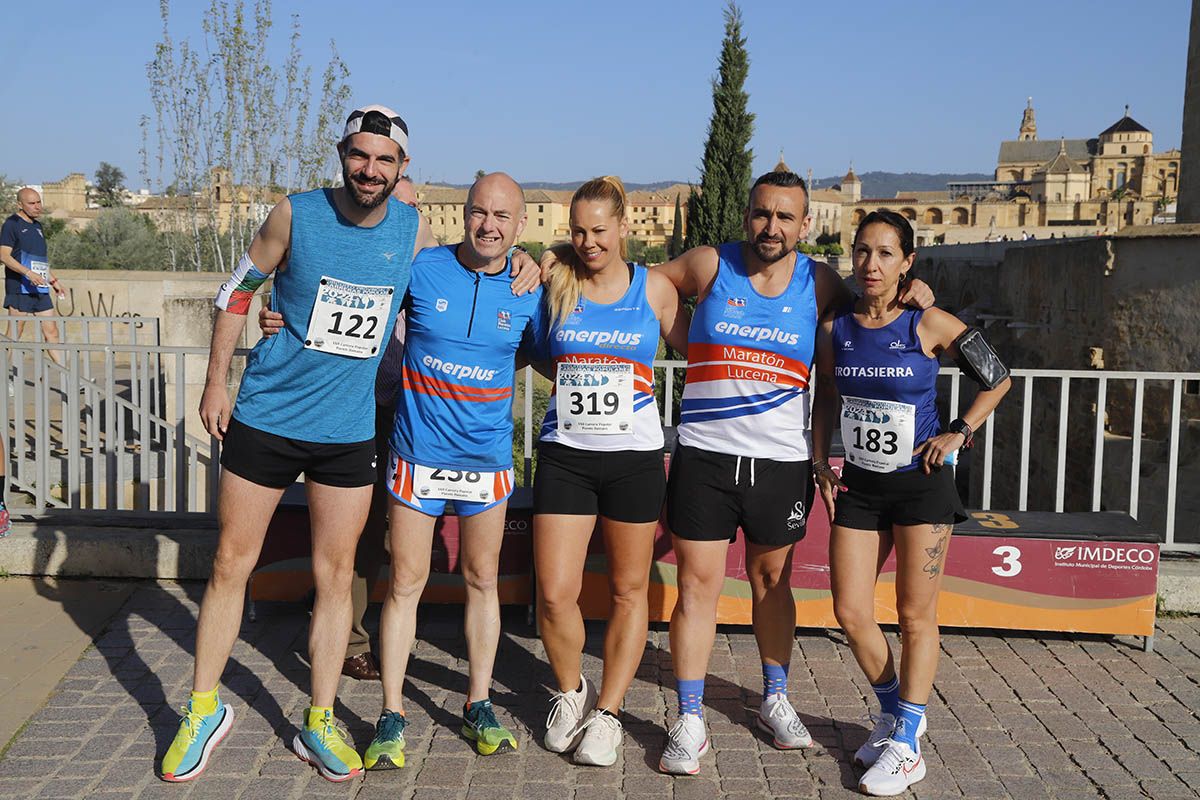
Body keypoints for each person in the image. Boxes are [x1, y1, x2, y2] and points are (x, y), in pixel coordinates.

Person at [159, 105, 429, 784]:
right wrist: (217, 382)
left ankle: (318, 721)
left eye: (384, 160)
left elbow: (461, 272)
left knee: (337, 580)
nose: (369, 170)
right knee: (230, 562)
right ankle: (202, 710)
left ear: (402, 168)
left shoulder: (411, 226)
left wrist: (526, 271)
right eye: (359, 155)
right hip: (269, 417)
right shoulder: (294, 214)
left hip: (346, 432)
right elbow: (237, 290)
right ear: (343, 153)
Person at [811, 210, 1010, 796]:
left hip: (922, 484)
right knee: (849, 610)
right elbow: (826, 395)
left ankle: (907, 746)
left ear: (907, 263)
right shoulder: (835, 329)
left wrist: (959, 431)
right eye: (862, 251)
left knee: (915, 614)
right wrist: (821, 460)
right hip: (861, 486)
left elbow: (997, 378)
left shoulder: (928, 323)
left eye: (885, 254)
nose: (871, 264)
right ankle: (898, 714)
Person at [533, 176, 688, 767]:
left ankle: (610, 712)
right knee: (554, 594)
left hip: (633, 459)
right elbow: (542, 354)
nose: (589, 241)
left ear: (624, 228)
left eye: (600, 230)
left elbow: (704, 353)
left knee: (628, 591)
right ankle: (572, 692)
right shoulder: (554, 282)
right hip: (567, 456)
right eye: (578, 230)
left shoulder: (655, 290)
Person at [343, 175, 422, 683]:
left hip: (415, 414)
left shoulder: (433, 268)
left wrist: (533, 257)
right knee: (360, 530)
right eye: (398, 208)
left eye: (416, 210)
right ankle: (350, 638)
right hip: (361, 412)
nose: (406, 219)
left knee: (407, 530)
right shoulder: (356, 261)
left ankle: (400, 632)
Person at [2, 188, 66, 365]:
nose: (37, 207)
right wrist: (28, 274)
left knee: (52, 332)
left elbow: (38, 259)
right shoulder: (11, 224)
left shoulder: (37, 226)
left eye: (39, 202)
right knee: (14, 334)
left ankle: (70, 378)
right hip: (19, 288)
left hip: (40, 287)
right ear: (19, 204)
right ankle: (3, 376)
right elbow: (4, 256)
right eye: (32, 203)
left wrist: (53, 280)